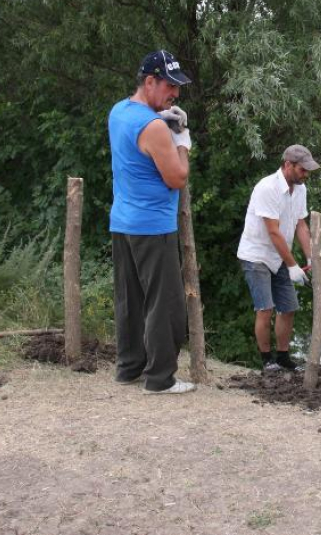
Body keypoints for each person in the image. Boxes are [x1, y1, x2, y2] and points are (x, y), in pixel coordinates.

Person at [108, 49, 196, 394]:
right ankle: (160, 378)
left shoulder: (119, 112)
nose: (174, 94)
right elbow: (177, 177)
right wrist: (181, 141)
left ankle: (129, 368)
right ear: (149, 81)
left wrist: (164, 122)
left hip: (123, 222)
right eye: (169, 86)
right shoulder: (154, 127)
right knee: (165, 304)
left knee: (130, 300)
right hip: (153, 226)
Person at [237, 145, 320, 372]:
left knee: (289, 307)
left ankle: (283, 357)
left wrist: (311, 257)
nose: (306, 175)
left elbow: (301, 225)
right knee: (265, 308)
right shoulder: (267, 188)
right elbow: (273, 231)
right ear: (288, 165)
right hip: (257, 254)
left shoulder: (300, 189)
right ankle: (267, 361)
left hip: (281, 254)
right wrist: (293, 265)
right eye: (303, 170)